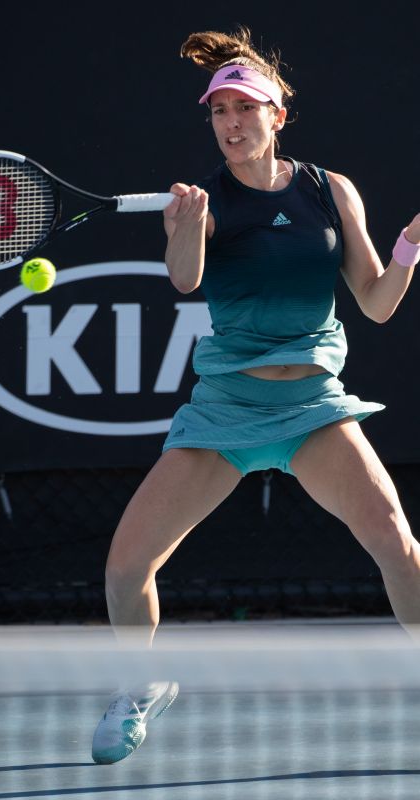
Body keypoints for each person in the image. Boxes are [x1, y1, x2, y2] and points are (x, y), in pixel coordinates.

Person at [92, 26, 420, 764]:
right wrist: (183, 227)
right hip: (225, 413)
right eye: (218, 112)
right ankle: (141, 684)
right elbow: (183, 280)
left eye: (244, 109)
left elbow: (373, 302)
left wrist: (409, 248)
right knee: (124, 568)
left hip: (312, 411)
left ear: (277, 115)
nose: (230, 124)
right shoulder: (203, 197)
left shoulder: (329, 190)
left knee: (398, 546)